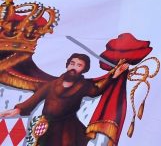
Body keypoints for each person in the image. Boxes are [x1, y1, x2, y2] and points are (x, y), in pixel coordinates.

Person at [0, 53, 128, 146]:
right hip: (47, 126)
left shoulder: (84, 86)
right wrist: (17, 110)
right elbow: (35, 98)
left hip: (68, 127)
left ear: (84, 69)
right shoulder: (51, 84)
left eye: (79, 65)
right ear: (67, 65)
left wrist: (114, 75)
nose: (74, 67)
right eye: (72, 63)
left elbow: (97, 91)